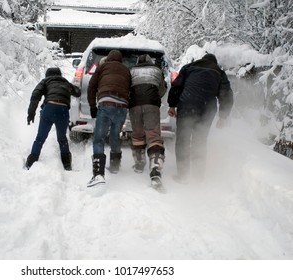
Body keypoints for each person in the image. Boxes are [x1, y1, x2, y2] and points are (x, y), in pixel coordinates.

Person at [167, 53, 234, 183]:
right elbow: (226, 96)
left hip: (187, 104)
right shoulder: (219, 73)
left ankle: (183, 175)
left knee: (182, 140)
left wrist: (172, 105)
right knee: (200, 141)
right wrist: (223, 117)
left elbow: (177, 86)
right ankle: (198, 177)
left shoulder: (188, 68)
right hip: (206, 109)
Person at [86, 50, 131, 187]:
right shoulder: (126, 70)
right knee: (115, 135)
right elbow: (130, 88)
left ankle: (98, 174)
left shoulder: (103, 67)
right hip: (122, 107)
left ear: (109, 58)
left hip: (106, 104)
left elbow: (91, 86)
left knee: (99, 137)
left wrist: (92, 106)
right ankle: (115, 166)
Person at [25, 67, 80, 170]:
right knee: (62, 139)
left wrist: (31, 113)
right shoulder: (65, 82)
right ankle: (67, 164)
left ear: (47, 75)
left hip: (49, 109)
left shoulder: (46, 81)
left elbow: (35, 94)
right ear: (59, 75)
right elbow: (77, 92)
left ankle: (30, 163)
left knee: (40, 138)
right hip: (63, 111)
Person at [129, 54, 167, 188]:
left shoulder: (131, 71)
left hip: (134, 104)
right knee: (153, 135)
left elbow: (128, 88)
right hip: (151, 103)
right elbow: (162, 89)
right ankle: (155, 168)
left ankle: (139, 163)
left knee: (138, 133)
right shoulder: (157, 70)